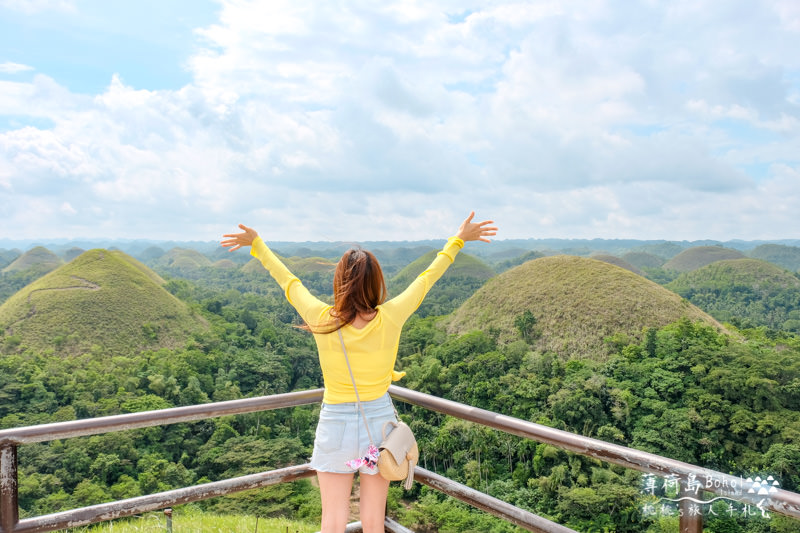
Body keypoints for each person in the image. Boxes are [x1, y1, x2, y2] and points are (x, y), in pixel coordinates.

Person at [221, 212, 497, 533]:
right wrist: (457, 240)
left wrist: (258, 245)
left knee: (333, 521)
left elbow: (289, 283)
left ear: (339, 281)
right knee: (372, 521)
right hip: (378, 424)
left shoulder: (321, 317)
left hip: (336, 422)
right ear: (376, 282)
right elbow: (425, 279)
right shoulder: (391, 316)